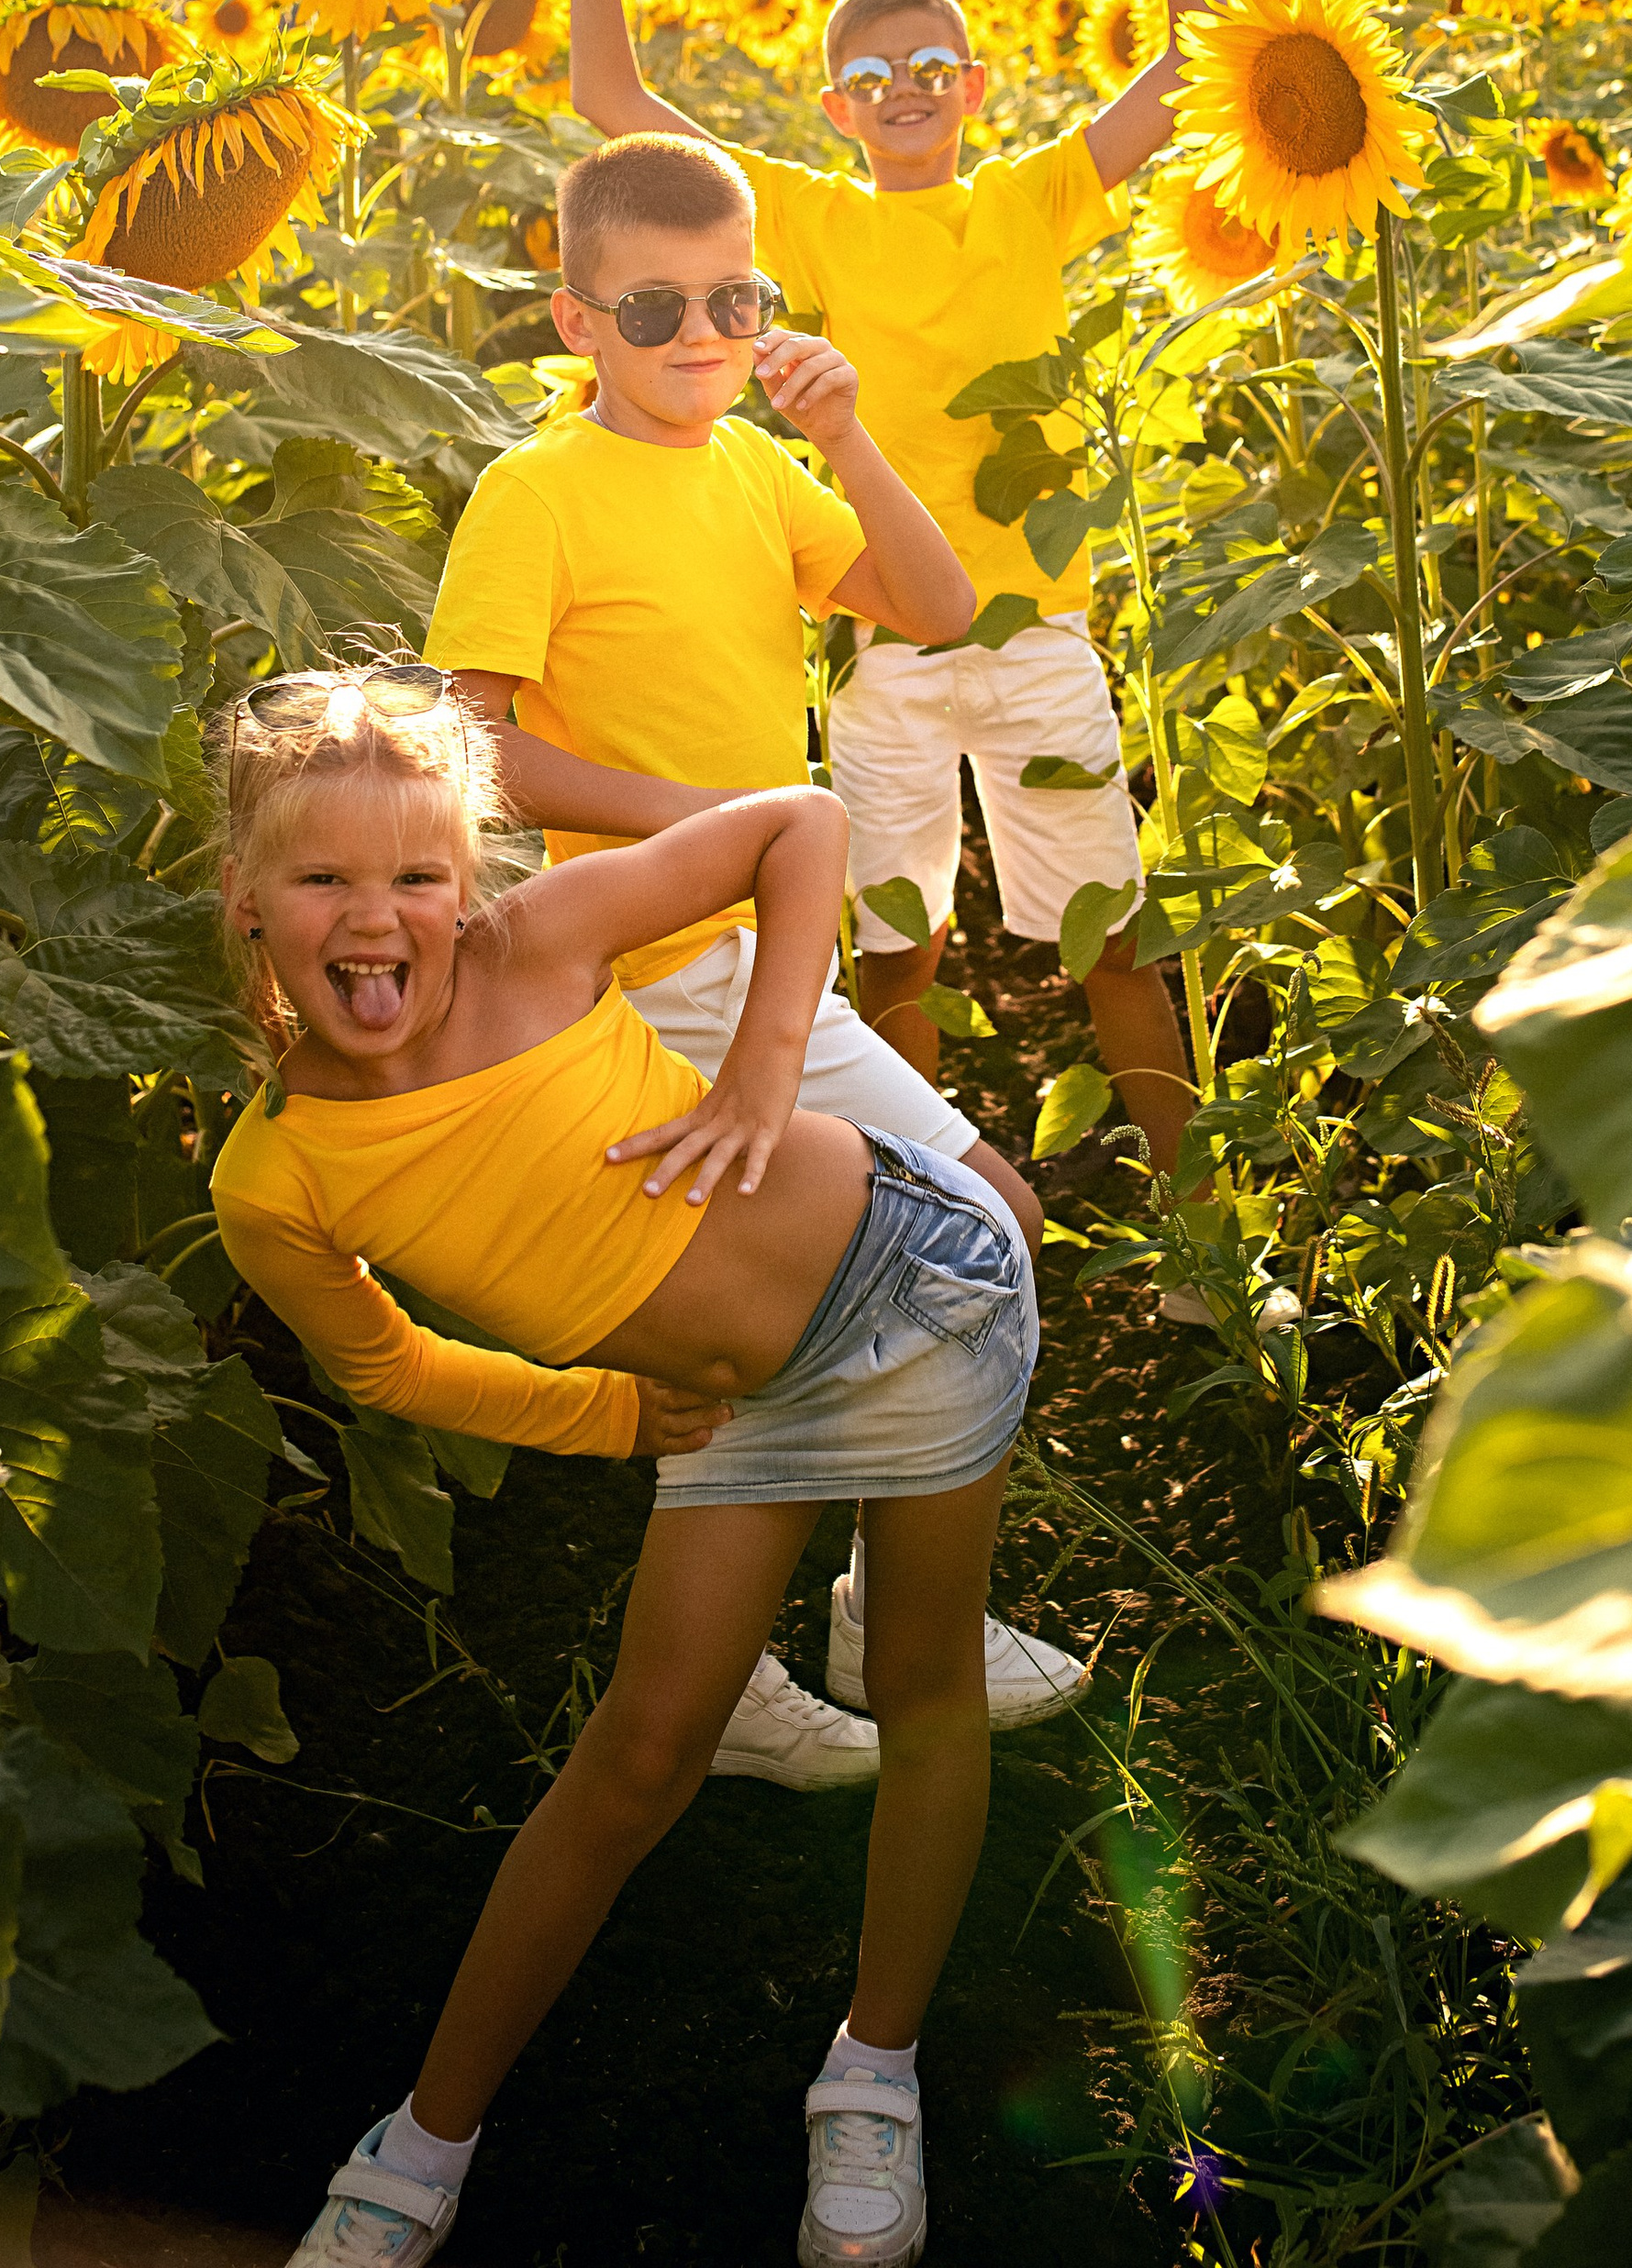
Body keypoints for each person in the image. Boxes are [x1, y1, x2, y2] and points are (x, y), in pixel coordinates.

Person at [211, 661, 1027, 2268]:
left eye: (419, 878)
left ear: (470, 886)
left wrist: (763, 1071)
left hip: (924, 1293)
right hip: (738, 1406)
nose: (378, 919)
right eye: (325, 879)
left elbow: (797, 823)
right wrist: (603, 1417)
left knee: (926, 1687)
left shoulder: (542, 945)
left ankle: (873, 2071)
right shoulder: (278, 1177)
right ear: (249, 902)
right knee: (640, 1756)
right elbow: (384, 1361)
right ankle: (421, 2145)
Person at [420, 129, 1090, 1775]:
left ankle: (872, 1613)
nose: (705, 337)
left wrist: (848, 434)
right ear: (574, 322)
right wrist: (705, 824)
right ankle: (725, 1699)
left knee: (988, 1217)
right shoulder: (537, 491)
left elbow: (936, 601)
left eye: (740, 297)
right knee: (744, 1325)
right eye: (657, 312)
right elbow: (470, 744)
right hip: (638, 983)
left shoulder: (748, 468)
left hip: (761, 957)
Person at [566, 0, 1223, 1314]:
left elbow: (1204, 59)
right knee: (894, 962)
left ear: (975, 84)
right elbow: (613, 103)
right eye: (872, 76)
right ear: (833, 109)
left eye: (933, 63)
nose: (906, 89)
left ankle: (1203, 1242)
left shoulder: (1034, 197)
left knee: (1111, 944)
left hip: (1039, 632)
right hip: (875, 647)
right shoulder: (805, 217)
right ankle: (928, 1243)